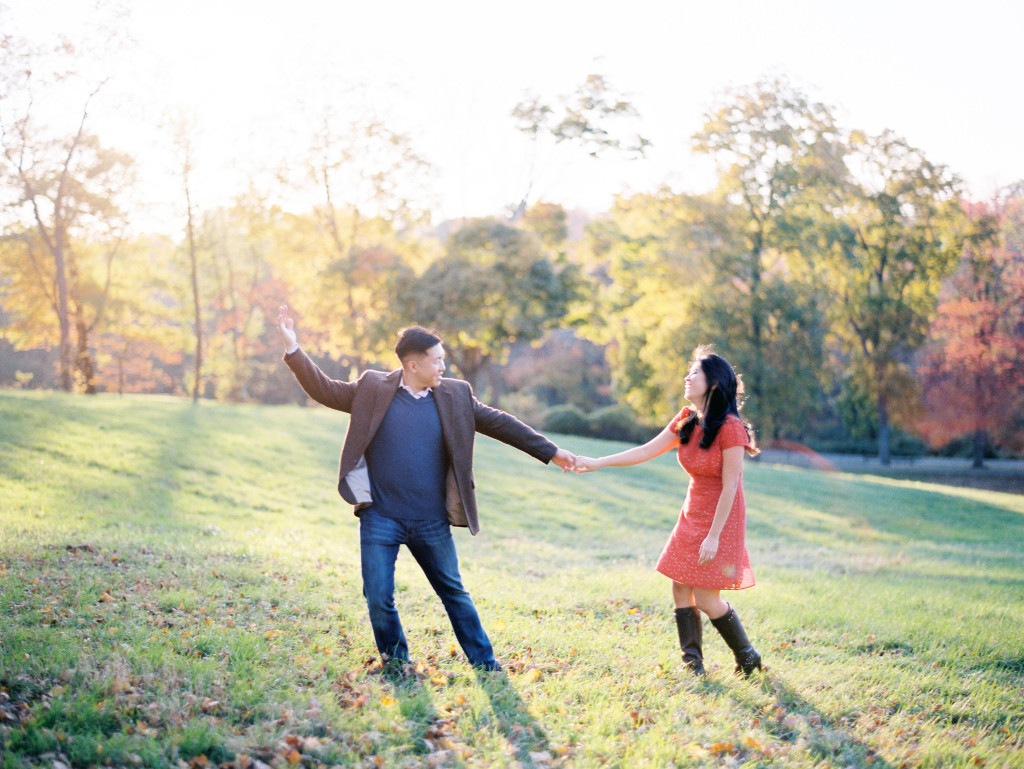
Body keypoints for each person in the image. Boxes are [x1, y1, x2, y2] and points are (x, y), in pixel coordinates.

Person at [276, 306, 577, 673]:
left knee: (454, 594)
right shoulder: (373, 388)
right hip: (381, 517)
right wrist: (294, 350)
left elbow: (501, 424)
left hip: (431, 521)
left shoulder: (456, 395)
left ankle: (485, 664)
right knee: (378, 597)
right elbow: (325, 389)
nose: (443, 367)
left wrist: (552, 452)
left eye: (443, 360)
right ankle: (397, 662)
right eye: (436, 360)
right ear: (412, 364)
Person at [574, 345, 762, 676]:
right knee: (679, 584)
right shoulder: (686, 420)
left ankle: (747, 656)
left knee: (705, 598)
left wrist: (714, 537)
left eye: (694, 373)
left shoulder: (731, 427)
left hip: (722, 516)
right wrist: (598, 463)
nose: (687, 378)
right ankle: (693, 664)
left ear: (714, 383)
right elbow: (647, 450)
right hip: (693, 510)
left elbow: (731, 486)